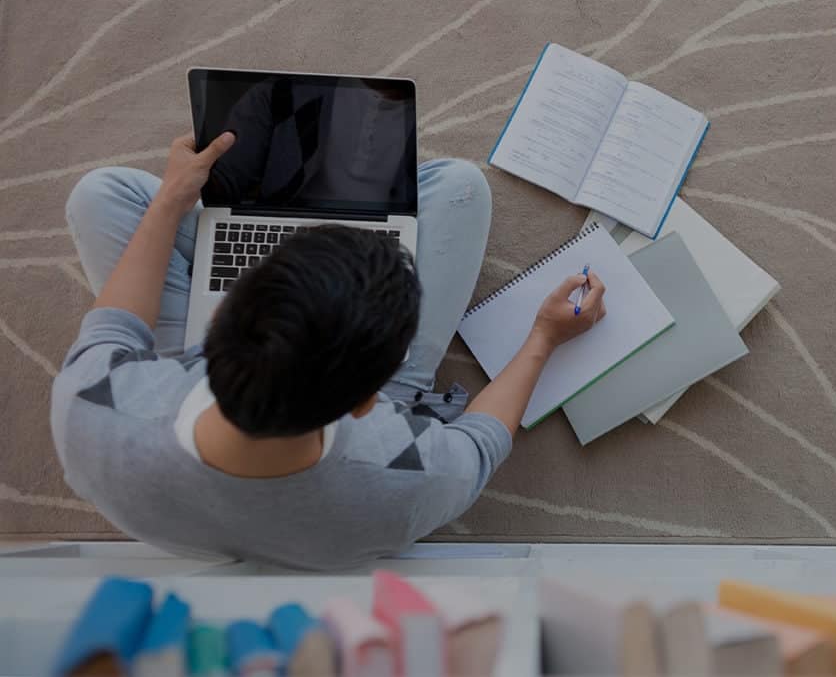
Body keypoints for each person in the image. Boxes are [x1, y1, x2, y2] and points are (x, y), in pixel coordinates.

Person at [49, 132, 606, 570]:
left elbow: (118, 322)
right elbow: (481, 440)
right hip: (340, 442)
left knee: (100, 194)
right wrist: (544, 338)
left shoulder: (93, 403)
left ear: (219, 317)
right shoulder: (409, 473)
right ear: (369, 402)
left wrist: (174, 196)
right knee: (459, 185)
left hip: (181, 436)